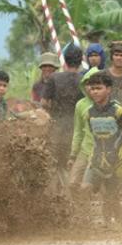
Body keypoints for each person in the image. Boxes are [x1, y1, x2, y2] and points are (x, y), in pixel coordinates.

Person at [78, 71, 122, 224]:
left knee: (111, 196)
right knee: (85, 188)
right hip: (96, 158)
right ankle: (83, 220)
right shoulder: (89, 113)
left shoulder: (118, 110)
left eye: (99, 88)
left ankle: (116, 225)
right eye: (92, 88)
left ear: (108, 89)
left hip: (115, 159)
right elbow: (93, 136)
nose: (94, 91)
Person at [42, 44, 84, 172]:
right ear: (80, 61)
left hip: (57, 127)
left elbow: (44, 102)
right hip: (77, 129)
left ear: (64, 60)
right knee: (73, 163)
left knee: (54, 164)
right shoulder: (84, 80)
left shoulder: (55, 78)